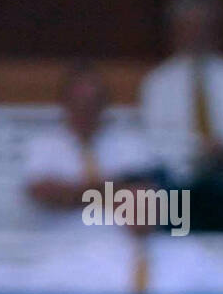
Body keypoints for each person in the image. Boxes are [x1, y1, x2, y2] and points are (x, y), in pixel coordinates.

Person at [140, 0, 223, 231]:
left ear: (214, 30)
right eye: (188, 27)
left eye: (202, 27)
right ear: (175, 32)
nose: (195, 35)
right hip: (179, 188)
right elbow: (155, 142)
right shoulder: (157, 83)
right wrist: (199, 152)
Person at [23, 64, 156, 229]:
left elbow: (143, 196)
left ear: (104, 104)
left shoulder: (130, 143)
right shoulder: (44, 144)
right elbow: (42, 193)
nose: (86, 110)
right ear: (65, 103)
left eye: (93, 103)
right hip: (59, 242)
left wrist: (71, 194)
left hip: (119, 242)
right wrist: (113, 189)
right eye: (79, 103)